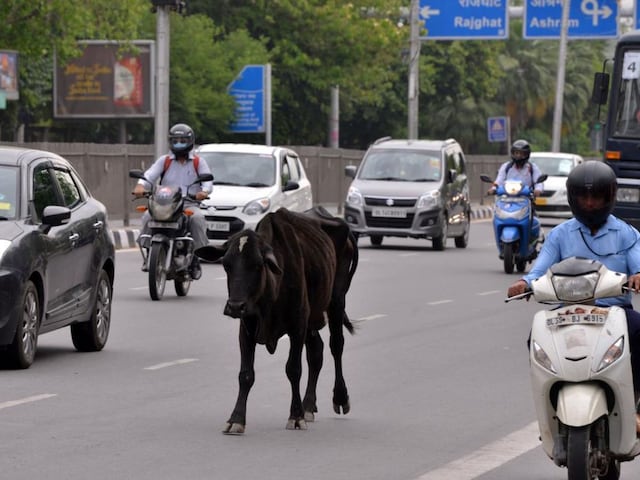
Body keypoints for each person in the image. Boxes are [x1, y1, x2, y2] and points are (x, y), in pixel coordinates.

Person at [507, 160, 640, 432]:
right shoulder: (559, 235)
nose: (589, 203)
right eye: (583, 196)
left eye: (596, 196)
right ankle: (552, 406)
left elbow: (638, 264)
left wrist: (639, 275)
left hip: (613, 313)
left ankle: (636, 407)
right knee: (535, 339)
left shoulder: (627, 234)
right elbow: (540, 268)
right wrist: (525, 282)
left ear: (609, 196)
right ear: (573, 198)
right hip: (567, 312)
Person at [132, 123, 213, 279]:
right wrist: (140, 186)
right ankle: (150, 253)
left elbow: (207, 182)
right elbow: (149, 176)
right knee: (148, 216)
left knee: (197, 218)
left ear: (190, 141)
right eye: (175, 140)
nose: (179, 143)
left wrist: (204, 192)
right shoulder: (165, 161)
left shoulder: (198, 162)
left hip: (188, 203)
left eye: (183, 140)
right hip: (165, 203)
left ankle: (196, 257)